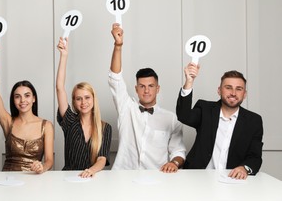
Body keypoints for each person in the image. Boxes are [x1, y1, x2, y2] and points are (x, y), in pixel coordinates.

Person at [109, 23, 186, 172]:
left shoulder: (171, 118)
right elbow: (115, 78)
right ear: (136, 89)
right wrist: (118, 46)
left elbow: (178, 151)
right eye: (142, 86)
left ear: (158, 89)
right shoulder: (126, 107)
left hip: (157, 178)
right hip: (123, 177)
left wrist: (174, 163)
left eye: (150, 86)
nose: (146, 91)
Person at [176, 62, 263, 179]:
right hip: (197, 178)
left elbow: (255, 156)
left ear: (245, 94)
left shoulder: (254, 121)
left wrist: (245, 168)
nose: (233, 93)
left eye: (239, 89)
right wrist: (189, 81)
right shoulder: (205, 109)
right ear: (219, 90)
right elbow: (184, 116)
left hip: (231, 180)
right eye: (228, 88)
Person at [0, 42, 53, 173]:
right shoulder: (8, 122)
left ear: (34, 98)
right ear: (13, 100)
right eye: (17, 96)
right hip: (8, 181)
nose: (23, 100)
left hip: (34, 182)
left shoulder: (46, 126)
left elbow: (49, 160)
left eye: (27, 95)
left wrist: (42, 167)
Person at [56, 37, 112, 178]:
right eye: (78, 99)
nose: (83, 102)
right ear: (74, 102)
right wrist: (64, 55)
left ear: (93, 99)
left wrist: (91, 171)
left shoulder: (105, 127)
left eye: (87, 98)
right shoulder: (69, 121)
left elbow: (102, 159)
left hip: (92, 178)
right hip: (68, 179)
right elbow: (59, 88)